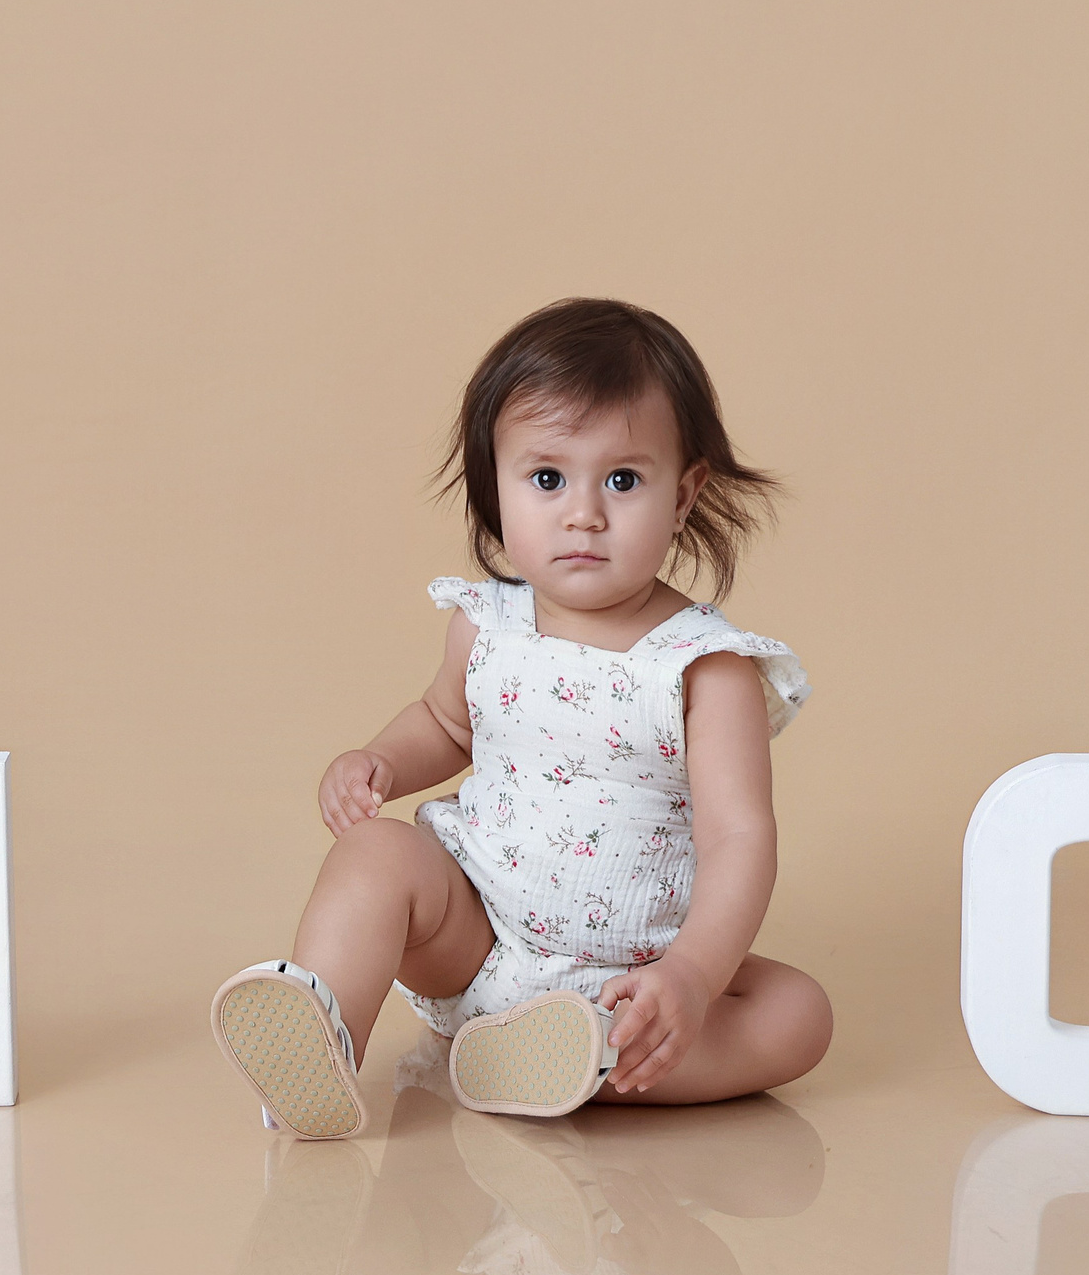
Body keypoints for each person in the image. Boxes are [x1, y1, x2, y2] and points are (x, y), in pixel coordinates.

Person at [211, 298, 833, 1139]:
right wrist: (381, 762)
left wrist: (689, 977)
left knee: (798, 1014)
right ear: (497, 489)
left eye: (623, 480)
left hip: (630, 976)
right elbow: (446, 721)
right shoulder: (487, 624)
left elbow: (739, 840)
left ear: (684, 495)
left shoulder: (703, 667)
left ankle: (567, 1061)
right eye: (547, 479)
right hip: (477, 935)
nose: (584, 513)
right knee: (378, 851)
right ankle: (322, 1045)